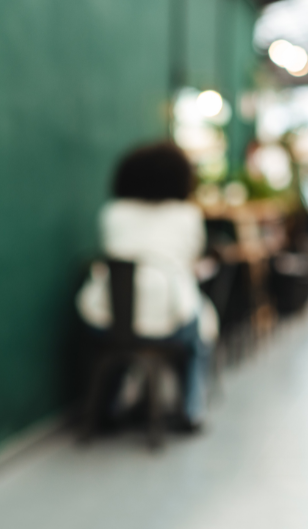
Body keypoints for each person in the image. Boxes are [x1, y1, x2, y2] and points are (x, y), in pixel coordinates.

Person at [76, 141, 217, 431]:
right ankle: (192, 410)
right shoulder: (187, 216)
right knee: (200, 328)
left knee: (120, 341)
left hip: (109, 319)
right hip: (170, 321)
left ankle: (111, 405)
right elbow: (192, 260)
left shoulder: (113, 213)